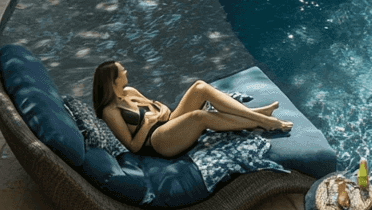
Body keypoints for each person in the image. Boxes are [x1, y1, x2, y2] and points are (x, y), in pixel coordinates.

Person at [93, 60, 292, 158]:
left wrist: (159, 113)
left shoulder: (130, 91)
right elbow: (133, 147)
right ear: (113, 81)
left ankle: (255, 114)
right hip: (157, 143)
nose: (126, 71)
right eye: (122, 71)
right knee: (200, 116)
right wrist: (148, 124)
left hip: (168, 123)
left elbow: (157, 109)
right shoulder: (110, 110)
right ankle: (263, 121)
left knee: (200, 87)